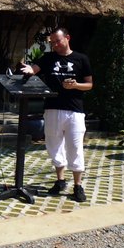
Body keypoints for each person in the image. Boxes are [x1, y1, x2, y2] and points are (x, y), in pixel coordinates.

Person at [20, 27, 93, 202]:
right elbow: (35, 68)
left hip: (75, 111)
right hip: (52, 109)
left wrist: (75, 85)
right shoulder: (48, 58)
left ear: (67, 38)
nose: (55, 45)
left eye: (57, 41)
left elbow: (90, 84)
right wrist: (29, 70)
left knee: (75, 148)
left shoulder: (81, 59)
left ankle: (78, 185)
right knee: (53, 145)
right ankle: (60, 181)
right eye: (52, 42)